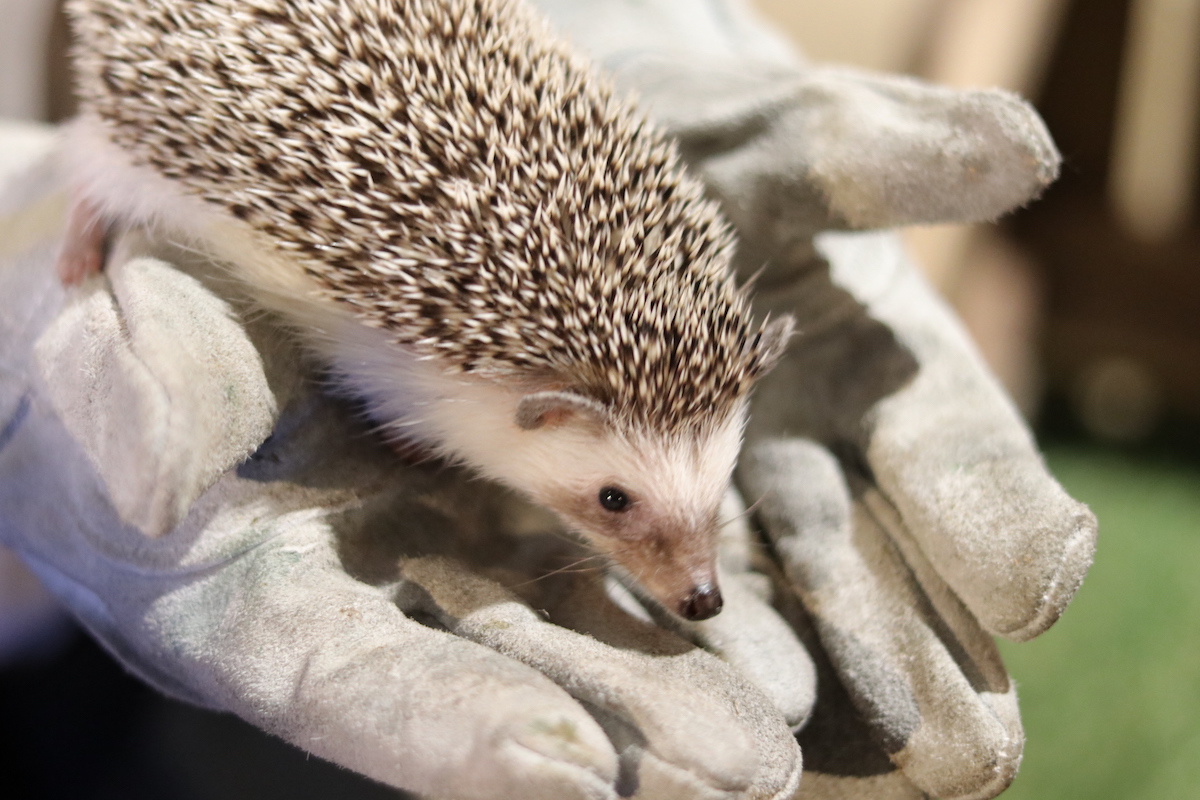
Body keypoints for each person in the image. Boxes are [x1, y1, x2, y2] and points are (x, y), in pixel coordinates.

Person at [0, 1, 1095, 797]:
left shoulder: (487, 366)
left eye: (693, 521)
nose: (693, 577)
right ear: (538, 408)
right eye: (622, 505)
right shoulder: (451, 364)